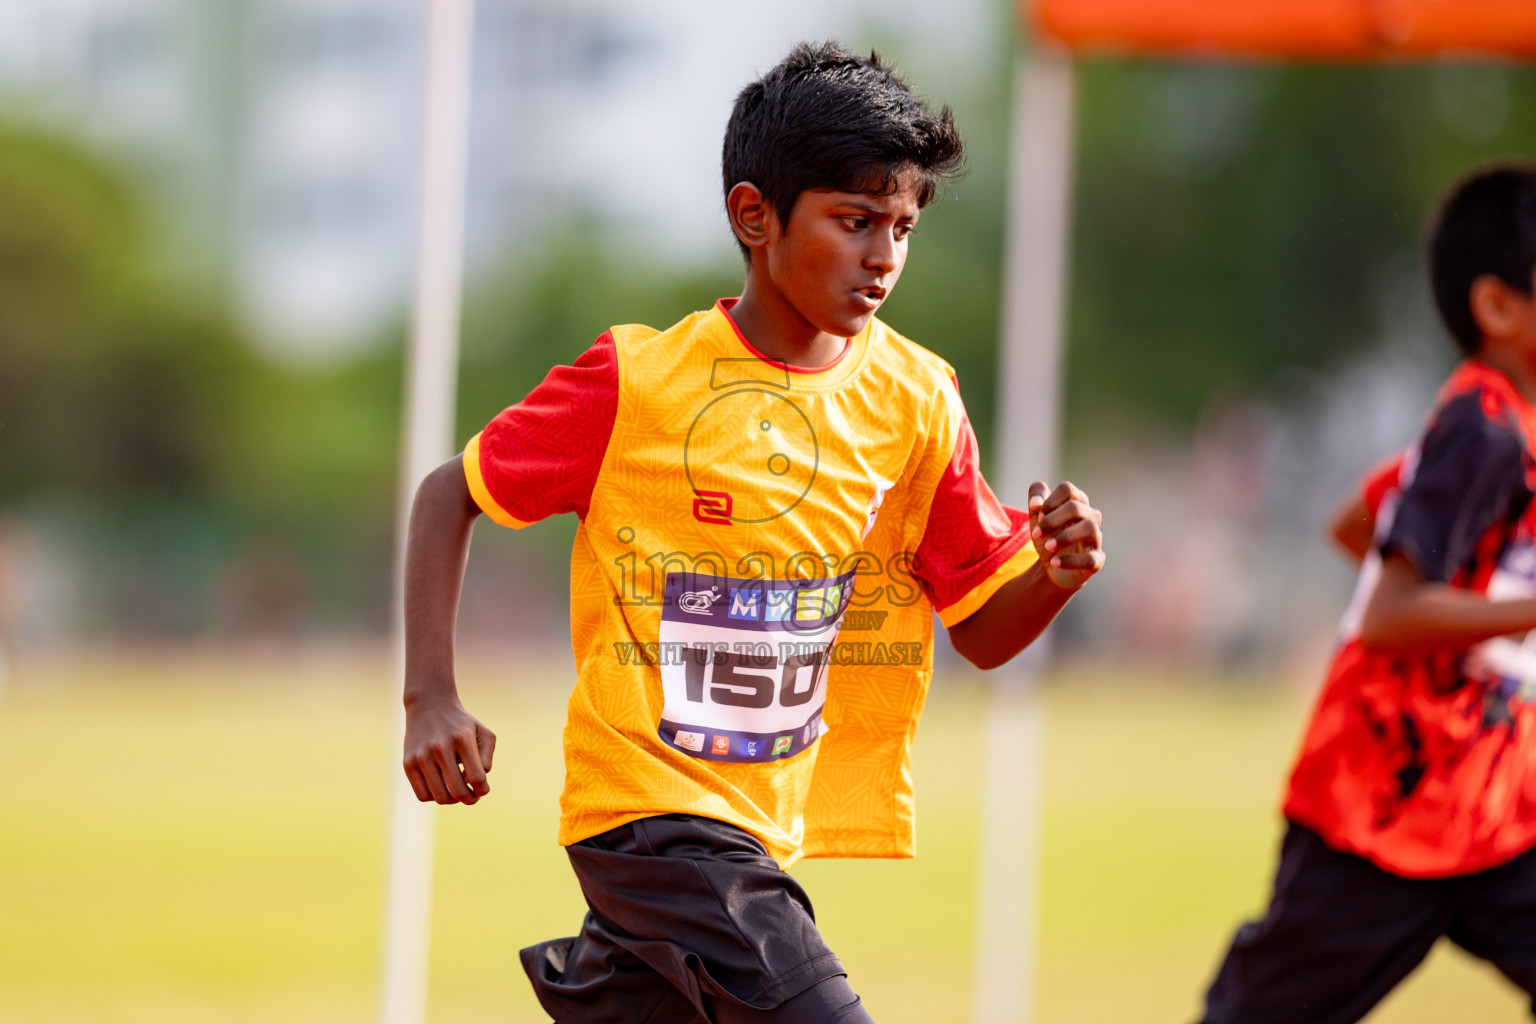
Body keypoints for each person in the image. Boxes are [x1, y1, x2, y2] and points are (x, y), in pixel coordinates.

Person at [399, 41, 1105, 1024]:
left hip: (761, 820)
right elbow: (450, 492)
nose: (884, 257)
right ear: (754, 216)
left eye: (902, 227)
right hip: (647, 811)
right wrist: (429, 693)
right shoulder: (640, 380)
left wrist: (1058, 573)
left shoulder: (918, 401)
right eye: (855, 222)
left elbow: (981, 626)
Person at [1199, 163, 1536, 1024]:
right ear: (1498, 309)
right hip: (1381, 807)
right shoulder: (1483, 429)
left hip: (1496, 806)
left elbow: (1363, 519)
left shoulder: (1505, 422)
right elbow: (1388, 612)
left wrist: (1479, 623)